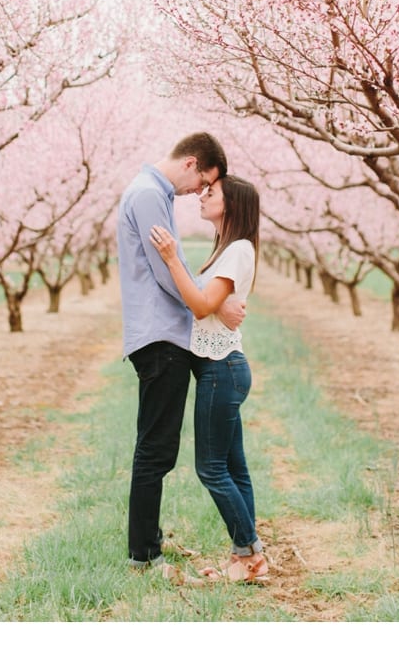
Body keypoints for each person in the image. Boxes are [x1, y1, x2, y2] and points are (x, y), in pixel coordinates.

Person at [116, 132, 244, 574]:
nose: (198, 192)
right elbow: (166, 270)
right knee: (155, 449)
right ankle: (143, 556)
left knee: (159, 447)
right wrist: (211, 302)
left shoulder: (151, 192)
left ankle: (148, 544)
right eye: (202, 181)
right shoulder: (151, 194)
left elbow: (175, 264)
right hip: (160, 337)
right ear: (191, 163)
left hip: (165, 335)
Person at [150, 174, 269, 584]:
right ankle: (247, 557)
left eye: (211, 192)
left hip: (222, 370)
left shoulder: (236, 250)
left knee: (211, 469)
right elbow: (212, 304)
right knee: (234, 469)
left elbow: (201, 306)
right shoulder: (228, 248)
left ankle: (250, 553)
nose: (202, 195)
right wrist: (217, 307)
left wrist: (170, 259)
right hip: (222, 367)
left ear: (231, 205)